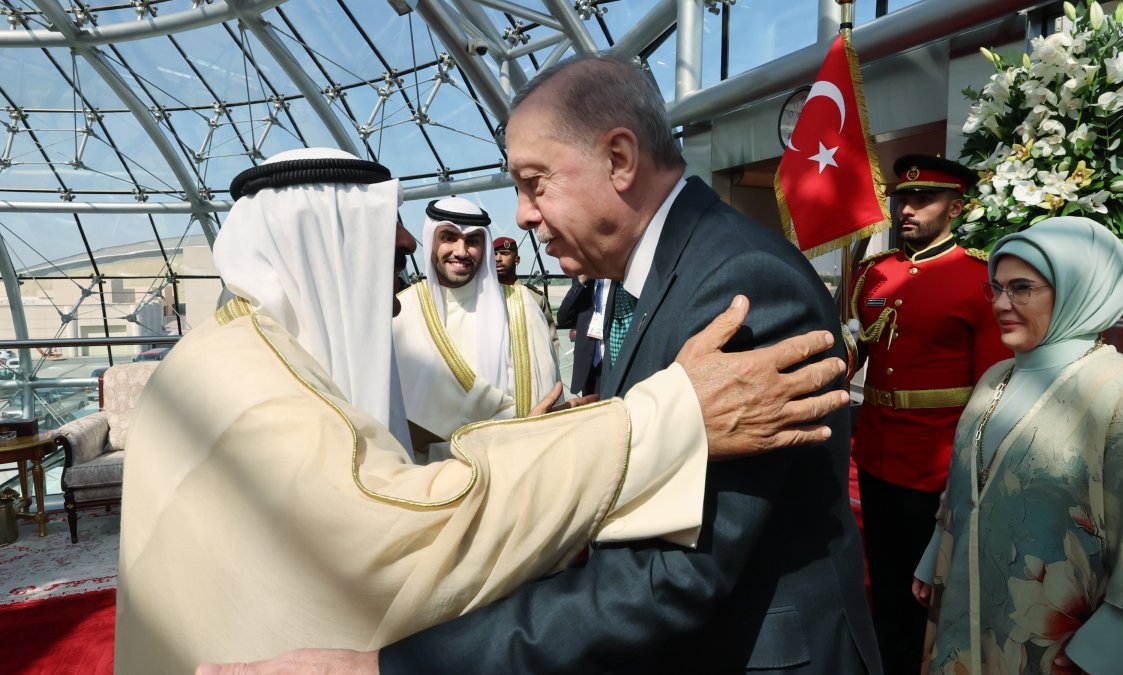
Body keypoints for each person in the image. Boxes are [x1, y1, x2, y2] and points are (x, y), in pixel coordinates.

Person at [115, 147, 851, 674]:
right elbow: (407, 524)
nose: (397, 285)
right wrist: (668, 414)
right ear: (325, 256)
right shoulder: (258, 379)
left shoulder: (225, 352)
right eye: (390, 260)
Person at [363, 53, 882, 673]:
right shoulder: (659, 272)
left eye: (534, 182)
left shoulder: (740, 286)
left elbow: (671, 576)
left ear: (619, 160)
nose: (524, 214)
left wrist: (401, 666)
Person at [912, 216, 1123, 674]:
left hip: (1068, 643)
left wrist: (1109, 647)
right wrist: (935, 557)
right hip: (969, 599)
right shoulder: (996, 378)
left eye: (1022, 288)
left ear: (1076, 290)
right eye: (997, 288)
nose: (1001, 304)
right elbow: (969, 482)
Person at [849, 154, 1010, 674]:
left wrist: (968, 474)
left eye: (924, 200)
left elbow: (992, 391)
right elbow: (860, 351)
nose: (908, 209)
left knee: (927, 594)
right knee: (884, 581)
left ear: (956, 208)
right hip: (873, 455)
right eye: (903, 200)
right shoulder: (875, 274)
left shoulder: (977, 280)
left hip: (935, 465)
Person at [393, 199, 560, 459]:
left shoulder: (521, 305)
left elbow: (545, 394)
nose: (461, 251)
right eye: (448, 238)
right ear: (431, 240)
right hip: (425, 479)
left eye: (472, 241)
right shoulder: (402, 310)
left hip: (516, 463)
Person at [556, 275, 604, 396]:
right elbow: (563, 319)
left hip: (612, 363)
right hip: (589, 368)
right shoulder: (587, 281)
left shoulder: (618, 281)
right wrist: (580, 282)